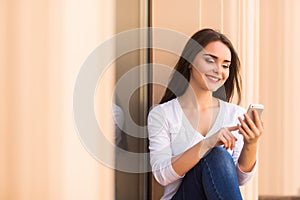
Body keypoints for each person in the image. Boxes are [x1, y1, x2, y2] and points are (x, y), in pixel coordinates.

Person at [147, 28, 264, 200]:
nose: (219, 70)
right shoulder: (162, 114)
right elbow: (162, 175)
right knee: (216, 154)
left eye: (225, 65)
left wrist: (251, 143)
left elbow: (239, 180)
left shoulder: (234, 114)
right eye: (210, 61)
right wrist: (207, 143)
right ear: (189, 61)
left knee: (218, 156)